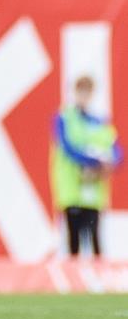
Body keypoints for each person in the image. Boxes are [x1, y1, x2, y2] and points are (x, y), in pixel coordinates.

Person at [51, 75, 122, 258]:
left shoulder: (100, 123)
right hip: (72, 189)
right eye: (81, 91)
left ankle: (98, 283)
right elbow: (68, 148)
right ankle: (75, 283)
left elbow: (117, 152)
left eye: (87, 92)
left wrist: (107, 164)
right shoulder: (64, 118)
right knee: (74, 239)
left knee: (95, 239)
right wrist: (94, 162)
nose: (84, 96)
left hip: (93, 192)